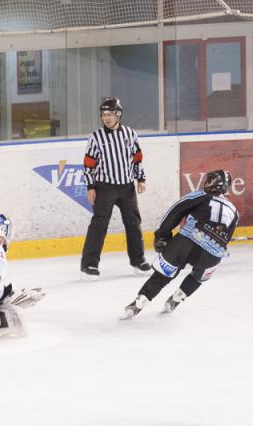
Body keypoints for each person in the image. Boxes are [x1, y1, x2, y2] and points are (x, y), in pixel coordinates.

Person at [121, 170, 239, 319]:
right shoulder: (235, 211)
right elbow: (226, 238)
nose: (206, 183)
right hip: (213, 254)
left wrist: (162, 235)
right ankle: (178, 297)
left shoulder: (201, 195)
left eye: (210, 180)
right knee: (197, 278)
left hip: (186, 242)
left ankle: (139, 302)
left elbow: (174, 213)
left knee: (162, 276)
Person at [80, 97, 151, 281]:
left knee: (133, 222)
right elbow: (89, 164)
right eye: (104, 115)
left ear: (118, 114)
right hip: (105, 187)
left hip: (127, 187)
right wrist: (90, 186)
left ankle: (138, 260)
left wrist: (140, 178)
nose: (106, 118)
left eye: (110, 114)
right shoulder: (96, 137)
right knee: (99, 224)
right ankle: (89, 264)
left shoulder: (130, 133)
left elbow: (137, 158)